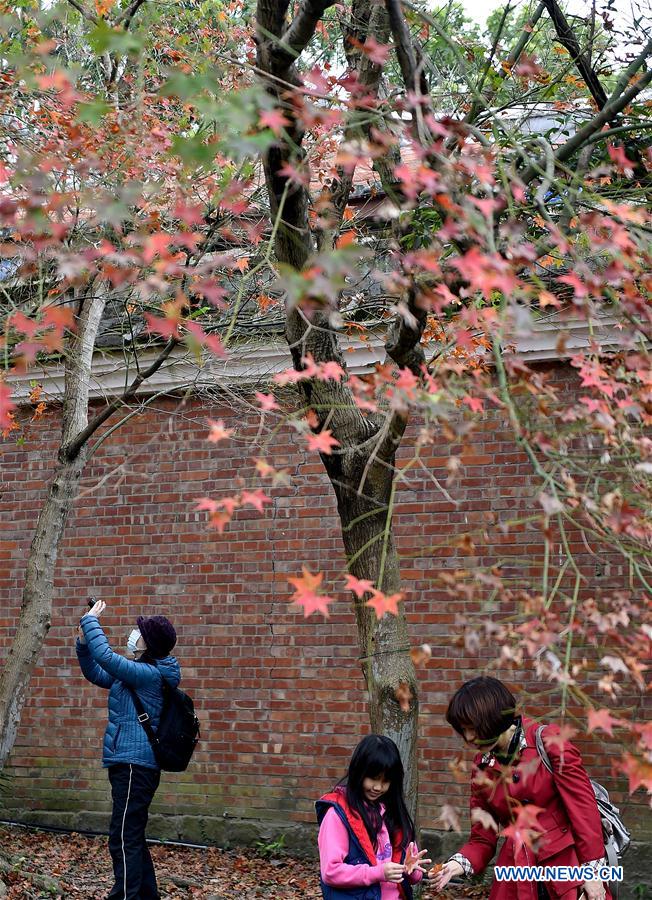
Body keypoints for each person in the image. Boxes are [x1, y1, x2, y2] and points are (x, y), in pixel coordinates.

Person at [431, 676, 609, 900]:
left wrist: (594, 874)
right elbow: (482, 838)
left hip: (567, 871)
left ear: (495, 718)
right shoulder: (481, 766)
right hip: (516, 877)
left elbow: (584, 813)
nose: (469, 737)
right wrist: (456, 865)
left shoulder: (549, 742)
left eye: (473, 728)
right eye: (463, 730)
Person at [76, 599, 180, 900]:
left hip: (136, 765)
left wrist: (91, 621)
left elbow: (107, 658)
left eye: (139, 631)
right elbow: (98, 672)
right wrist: (84, 644)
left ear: (148, 644)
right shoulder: (136, 672)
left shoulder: (148, 675)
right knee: (130, 835)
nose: (133, 634)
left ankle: (125, 896)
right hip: (128, 764)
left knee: (122, 837)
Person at [316, 734, 431, 899]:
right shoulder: (337, 815)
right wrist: (377, 873)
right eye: (373, 778)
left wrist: (409, 869)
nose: (378, 787)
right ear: (358, 772)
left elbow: (413, 878)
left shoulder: (394, 814)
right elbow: (330, 872)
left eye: (386, 781)